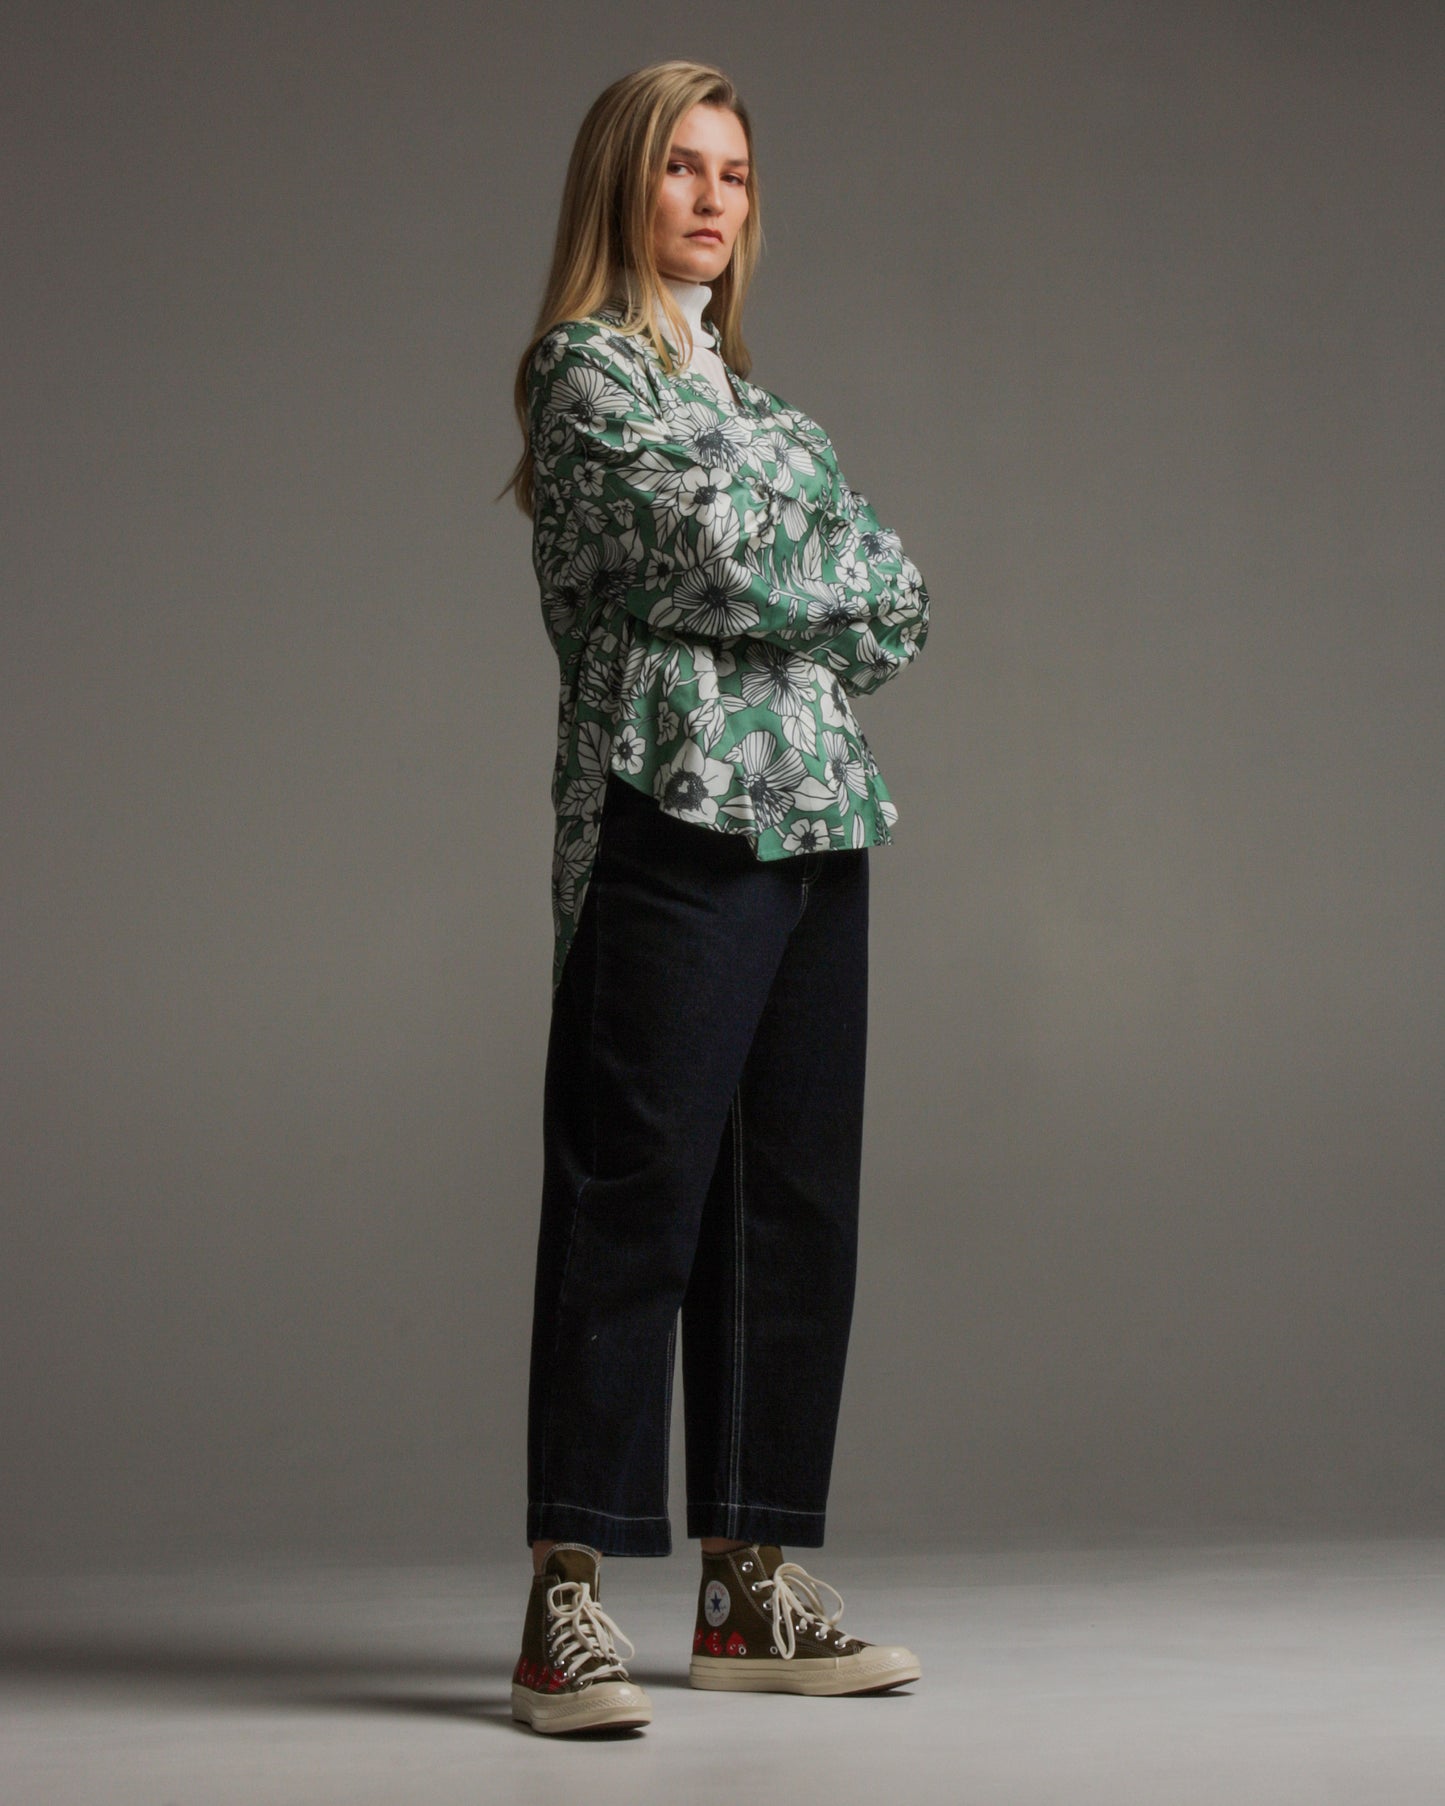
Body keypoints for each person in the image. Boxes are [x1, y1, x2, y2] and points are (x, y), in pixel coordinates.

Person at [498, 58, 930, 1735]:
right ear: (624, 182)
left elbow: (897, 607)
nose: (709, 198)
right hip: (669, 817)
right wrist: (804, 556)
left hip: (818, 821)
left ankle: (749, 1584)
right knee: (634, 1198)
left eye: (733, 174)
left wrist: (798, 554)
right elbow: (719, 554)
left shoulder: (771, 415)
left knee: (792, 1204)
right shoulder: (581, 374)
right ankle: (564, 1598)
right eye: (681, 166)